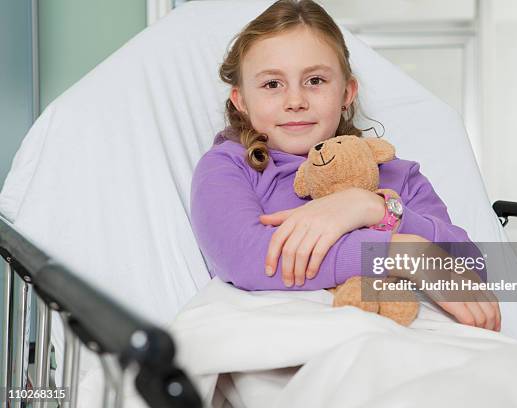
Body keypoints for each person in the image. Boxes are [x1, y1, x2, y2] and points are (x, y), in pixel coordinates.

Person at [190, 0, 500, 332]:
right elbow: (249, 259)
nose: (295, 101)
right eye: (272, 84)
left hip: (412, 338)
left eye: (315, 81)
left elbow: (471, 268)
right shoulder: (229, 167)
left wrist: (375, 209)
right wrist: (403, 251)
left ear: (347, 93)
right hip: (296, 337)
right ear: (241, 101)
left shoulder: (394, 173)